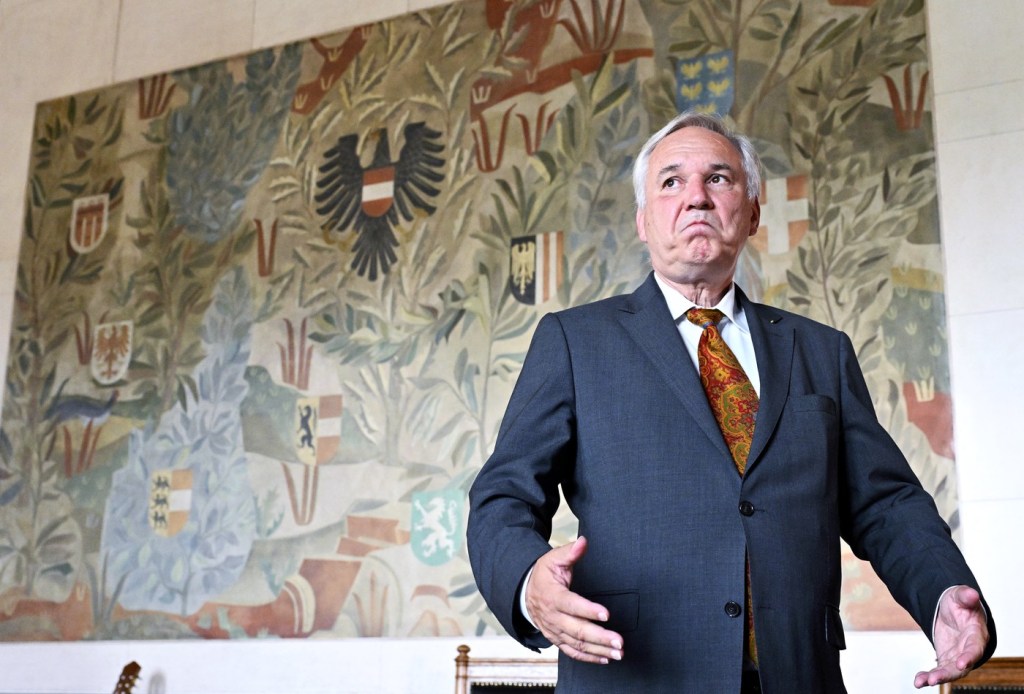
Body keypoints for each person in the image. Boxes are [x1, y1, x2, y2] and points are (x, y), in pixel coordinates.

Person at [466, 110, 995, 693]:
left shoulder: (821, 351)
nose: (696, 196)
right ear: (643, 220)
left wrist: (943, 593)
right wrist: (527, 583)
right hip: (638, 675)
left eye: (718, 178)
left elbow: (886, 504)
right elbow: (503, 496)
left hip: (798, 677)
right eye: (671, 181)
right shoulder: (575, 341)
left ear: (752, 212)